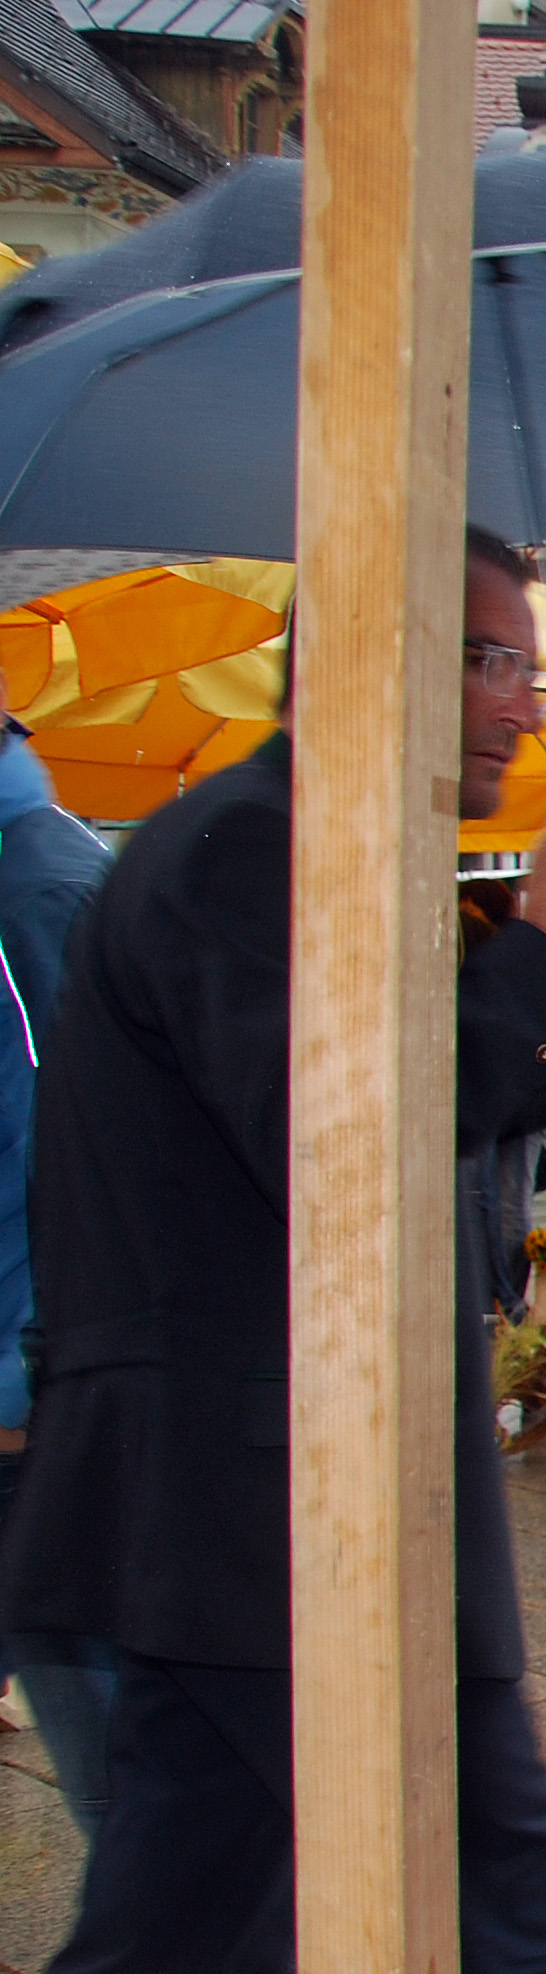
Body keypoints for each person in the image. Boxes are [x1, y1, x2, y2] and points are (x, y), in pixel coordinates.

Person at [9, 529, 546, 1974]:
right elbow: (338, 1145)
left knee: (197, 1929)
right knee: (498, 1906)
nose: (521, 705)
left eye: (525, 668)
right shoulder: (249, 850)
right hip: (269, 1513)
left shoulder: (307, 843)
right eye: (488, 660)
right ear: (372, 655)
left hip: (273, 1516)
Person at [0, 718, 113, 1836]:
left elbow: (82, 1156)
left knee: (140, 1812)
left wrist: (31, 1379)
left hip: (37, 1405)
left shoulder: (37, 884)